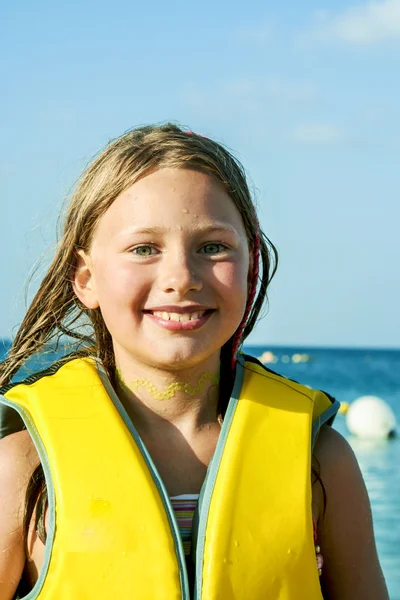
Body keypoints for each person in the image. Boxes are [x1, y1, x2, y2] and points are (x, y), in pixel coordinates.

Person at [0, 124, 388, 599]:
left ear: (251, 269)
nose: (181, 278)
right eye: (144, 249)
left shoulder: (322, 461)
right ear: (86, 278)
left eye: (213, 247)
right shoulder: (21, 466)